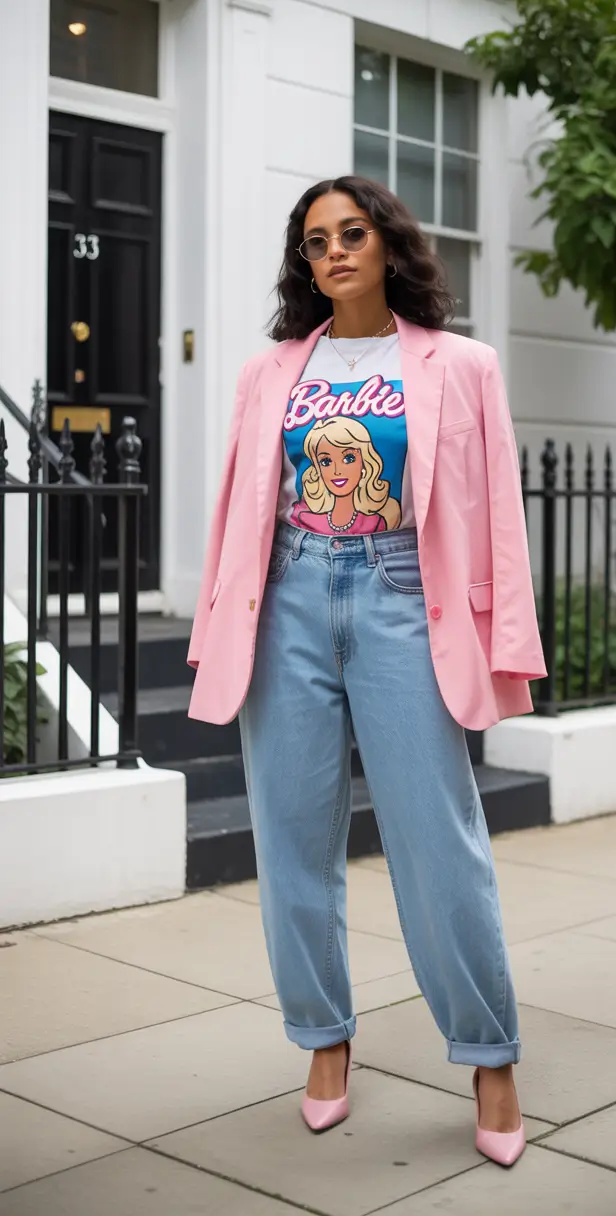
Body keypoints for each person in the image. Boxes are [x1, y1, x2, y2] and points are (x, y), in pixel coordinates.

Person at [187, 175, 546, 1167]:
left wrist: (509, 640)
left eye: (352, 232)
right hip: (290, 600)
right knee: (295, 841)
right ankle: (324, 1040)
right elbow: (237, 508)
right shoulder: (271, 374)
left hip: (402, 599)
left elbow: (498, 519)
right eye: (316, 241)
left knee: (439, 840)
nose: (335, 251)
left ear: (388, 244)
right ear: (302, 263)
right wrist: (220, 619)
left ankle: (489, 1053)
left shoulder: (460, 364)